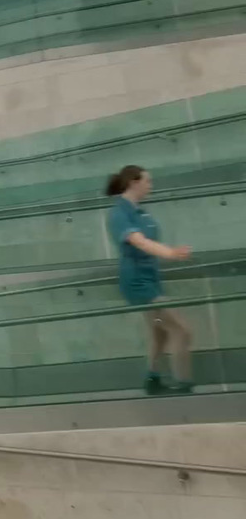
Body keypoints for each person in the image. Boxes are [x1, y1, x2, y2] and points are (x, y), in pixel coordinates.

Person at [105, 164, 194, 394]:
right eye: (148, 181)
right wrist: (172, 253)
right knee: (182, 330)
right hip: (137, 282)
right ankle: (184, 384)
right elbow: (140, 242)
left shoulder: (141, 212)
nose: (150, 185)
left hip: (151, 279)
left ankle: (152, 379)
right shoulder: (119, 214)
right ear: (134, 183)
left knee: (160, 331)